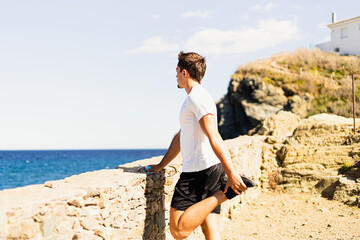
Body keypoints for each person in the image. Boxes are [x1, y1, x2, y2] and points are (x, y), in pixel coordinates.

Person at [139, 51, 249, 240]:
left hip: (200, 171)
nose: (175, 75)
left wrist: (231, 174)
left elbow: (214, 135)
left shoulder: (197, 98)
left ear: (184, 73)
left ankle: (226, 193)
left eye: (176, 71)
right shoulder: (195, 98)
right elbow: (181, 136)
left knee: (178, 230)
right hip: (208, 169)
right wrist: (160, 166)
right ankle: (223, 192)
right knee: (210, 230)